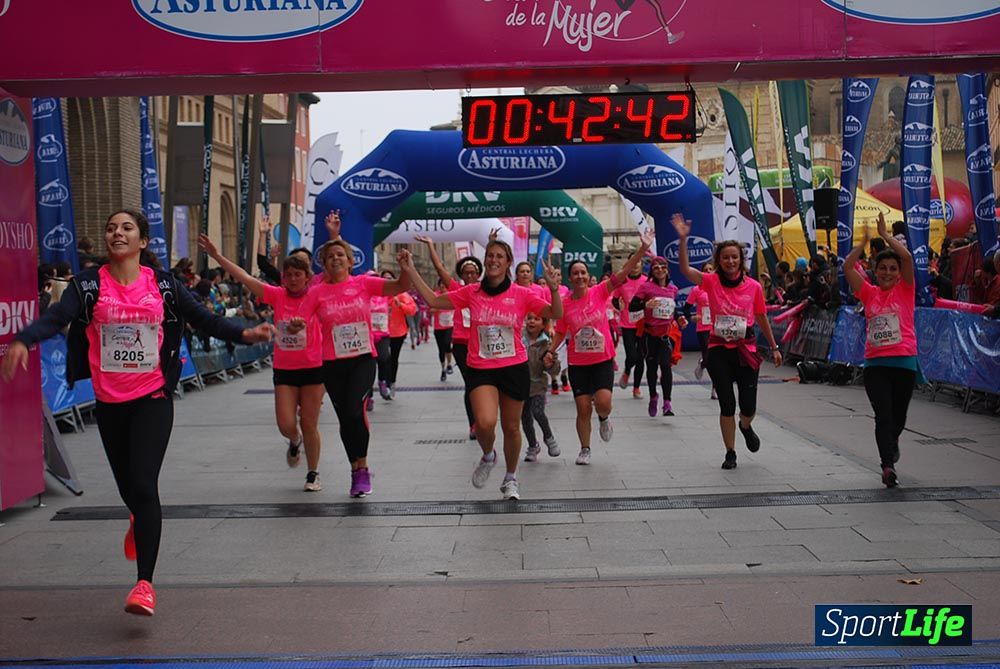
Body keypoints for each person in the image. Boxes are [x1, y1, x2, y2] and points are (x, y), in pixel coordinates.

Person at [1, 209, 273, 616]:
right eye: (111, 228)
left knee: (145, 487)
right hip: (110, 404)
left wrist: (245, 333)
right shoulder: (88, 284)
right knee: (130, 490)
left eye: (126, 228)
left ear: (142, 241)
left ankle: (144, 584)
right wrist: (24, 339)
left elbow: (202, 318)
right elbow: (58, 317)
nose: (117, 233)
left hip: (152, 398)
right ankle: (138, 519)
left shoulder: (163, 285)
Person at [399, 241, 562, 500]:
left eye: (500, 256)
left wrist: (553, 289)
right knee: (485, 424)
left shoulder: (521, 294)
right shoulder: (471, 292)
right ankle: (488, 455)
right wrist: (410, 269)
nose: (494, 260)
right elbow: (433, 300)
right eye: (490, 256)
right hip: (481, 367)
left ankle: (511, 478)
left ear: (508, 263)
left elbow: (556, 312)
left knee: (511, 427)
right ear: (485, 260)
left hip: (514, 367)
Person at [198, 234, 325, 490]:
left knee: (310, 423)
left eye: (297, 275)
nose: (292, 279)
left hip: (313, 367)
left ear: (307, 277)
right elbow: (245, 277)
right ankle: (294, 441)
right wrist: (217, 256)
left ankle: (313, 474)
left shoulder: (317, 296)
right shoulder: (277, 295)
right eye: (288, 275)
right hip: (285, 369)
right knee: (286, 424)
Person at [291, 239, 412, 497]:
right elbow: (300, 318)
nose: (335, 259)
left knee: (354, 410)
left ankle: (363, 468)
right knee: (345, 418)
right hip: (332, 363)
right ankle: (354, 469)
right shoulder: (316, 292)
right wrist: (296, 324)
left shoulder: (364, 283)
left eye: (340, 255)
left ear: (350, 261)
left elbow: (401, 286)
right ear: (324, 264)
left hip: (362, 359)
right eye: (330, 256)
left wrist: (405, 269)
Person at [671, 213, 782, 470]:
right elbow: (686, 270)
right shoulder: (710, 281)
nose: (730, 261)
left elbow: (761, 316)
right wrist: (683, 239)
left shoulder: (754, 287)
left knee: (748, 406)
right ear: (718, 261)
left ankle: (746, 425)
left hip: (746, 349)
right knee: (727, 404)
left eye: (734, 257)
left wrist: (774, 347)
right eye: (725, 258)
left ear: (741, 260)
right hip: (719, 349)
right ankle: (730, 452)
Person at [548, 232, 652, 464]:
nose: (580, 276)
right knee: (583, 408)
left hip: (602, 360)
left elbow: (624, 272)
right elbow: (561, 332)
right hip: (578, 363)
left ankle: (604, 419)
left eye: (583, 272)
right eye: (575, 273)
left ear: (588, 276)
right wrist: (551, 350)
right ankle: (585, 449)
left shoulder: (600, 291)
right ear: (570, 278)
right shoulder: (565, 304)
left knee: (603, 404)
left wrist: (642, 250)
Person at [844, 214, 917, 488]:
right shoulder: (868, 293)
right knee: (883, 415)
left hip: (904, 362)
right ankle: (887, 466)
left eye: (892, 269)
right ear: (875, 270)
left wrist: (886, 236)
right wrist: (862, 243)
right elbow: (848, 267)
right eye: (883, 268)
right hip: (875, 365)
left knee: (898, 417)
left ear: (899, 273)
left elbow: (907, 258)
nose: (887, 272)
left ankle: (892, 440)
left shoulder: (906, 289)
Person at [416, 235, 483, 439]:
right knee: (470, 383)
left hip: (482, 345)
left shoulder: (486, 291)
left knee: (482, 385)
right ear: (461, 275)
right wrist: (430, 245)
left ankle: (483, 418)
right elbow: (439, 268)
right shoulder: (457, 290)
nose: (470, 275)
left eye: (473, 272)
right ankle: (474, 424)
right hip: (462, 344)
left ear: (479, 274)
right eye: (466, 272)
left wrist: (490, 242)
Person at [629, 255, 687, 417]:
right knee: (652, 367)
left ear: (667, 270)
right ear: (652, 271)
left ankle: (667, 403)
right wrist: (645, 304)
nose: (660, 270)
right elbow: (632, 307)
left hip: (665, 335)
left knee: (666, 366)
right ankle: (653, 396)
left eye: (663, 267)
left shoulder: (673, 289)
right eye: (656, 268)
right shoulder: (646, 287)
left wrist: (679, 318)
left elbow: (672, 310)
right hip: (649, 335)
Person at [521, 312, 560, 462]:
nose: (531, 321)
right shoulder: (519, 338)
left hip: (538, 384)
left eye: (536, 319)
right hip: (520, 385)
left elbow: (554, 369)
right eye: (529, 318)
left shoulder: (547, 343)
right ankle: (533, 446)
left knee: (538, 412)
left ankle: (548, 437)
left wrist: (550, 364)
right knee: (525, 417)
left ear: (544, 324)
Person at [614, 259, 647, 399]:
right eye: (633, 263)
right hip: (627, 324)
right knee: (632, 355)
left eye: (638, 263)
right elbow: (614, 299)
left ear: (641, 265)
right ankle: (627, 371)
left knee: (641, 357)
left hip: (643, 324)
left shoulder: (646, 281)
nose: (635, 266)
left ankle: (636, 388)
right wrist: (618, 305)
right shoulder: (622, 281)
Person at [685, 262, 717, 400]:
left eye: (711, 269)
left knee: (717, 359)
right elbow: (686, 308)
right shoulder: (697, 290)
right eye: (706, 270)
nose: (708, 271)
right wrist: (692, 317)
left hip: (717, 326)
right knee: (709, 357)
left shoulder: (719, 287)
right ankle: (704, 363)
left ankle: (715, 387)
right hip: (703, 327)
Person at [383, 269, 416, 398]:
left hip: (398, 332)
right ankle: (384, 382)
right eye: (384, 278)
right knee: (383, 358)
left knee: (393, 359)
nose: (387, 281)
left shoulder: (401, 295)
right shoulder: (378, 296)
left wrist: (400, 304)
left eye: (389, 278)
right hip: (381, 333)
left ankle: (391, 383)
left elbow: (412, 310)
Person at [431, 278, 455, 382]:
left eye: (444, 285)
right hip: (438, 327)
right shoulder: (435, 296)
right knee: (441, 350)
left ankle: (449, 364)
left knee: (447, 344)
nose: (442, 287)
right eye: (441, 285)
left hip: (450, 326)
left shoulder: (452, 294)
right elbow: (431, 310)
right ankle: (443, 369)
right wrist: (439, 308)